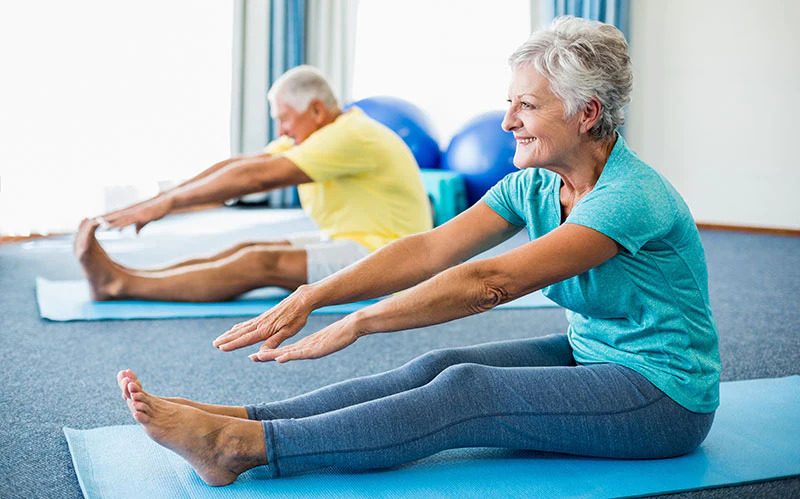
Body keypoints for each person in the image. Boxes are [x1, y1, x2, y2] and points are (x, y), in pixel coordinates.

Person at [116, 16, 721, 486]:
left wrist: (360, 321)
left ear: (587, 113)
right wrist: (318, 294)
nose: (507, 120)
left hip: (662, 395)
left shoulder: (628, 198)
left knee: (468, 392)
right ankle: (247, 419)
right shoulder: (535, 182)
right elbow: (433, 248)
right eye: (509, 101)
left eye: (527, 105)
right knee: (436, 366)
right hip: (593, 355)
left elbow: (490, 282)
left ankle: (237, 450)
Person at [75, 65, 432, 302]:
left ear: (317, 111)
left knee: (258, 262)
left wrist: (165, 206)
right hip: (356, 241)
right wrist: (161, 198)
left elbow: (255, 179)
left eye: (285, 120)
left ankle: (119, 285)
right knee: (245, 247)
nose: (281, 132)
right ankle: (128, 275)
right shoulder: (320, 135)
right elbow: (241, 166)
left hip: (389, 258)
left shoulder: (351, 135)